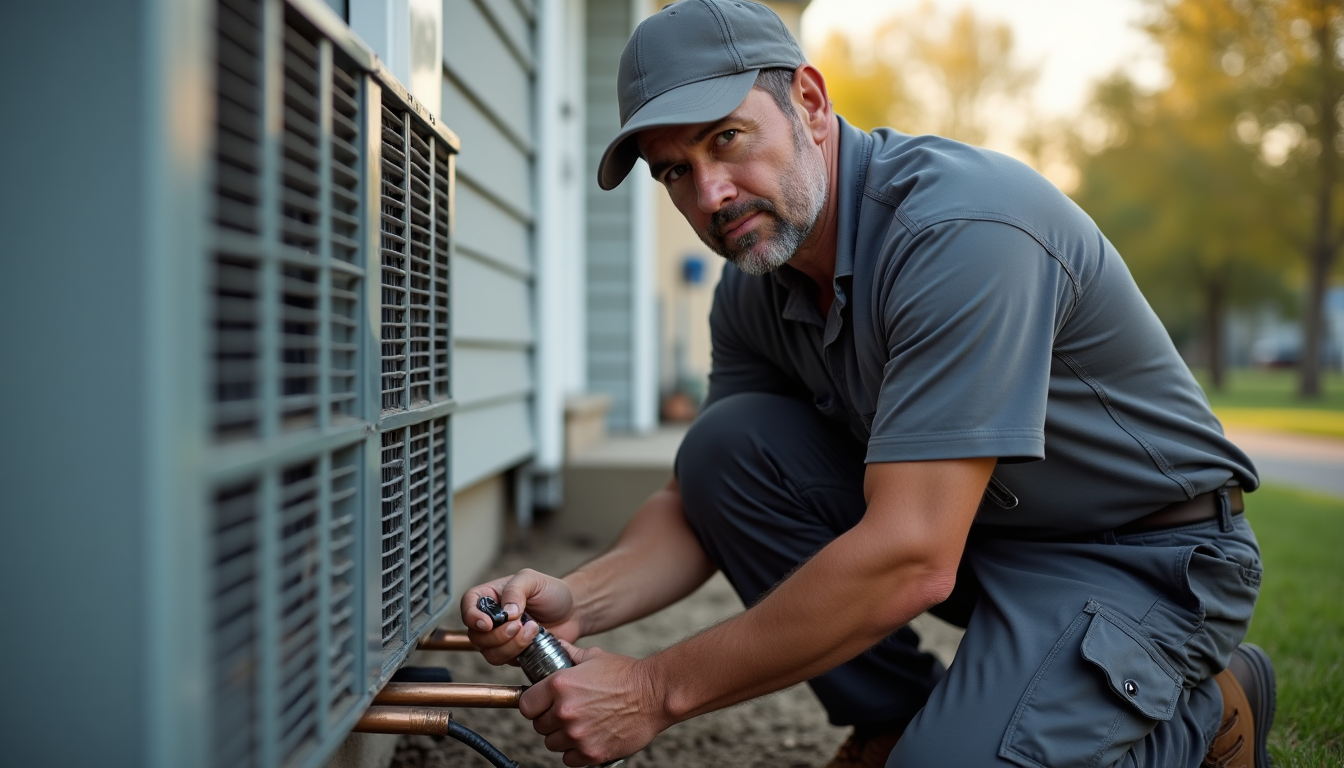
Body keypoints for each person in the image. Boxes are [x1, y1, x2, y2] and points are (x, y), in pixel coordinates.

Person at [460, 2, 1276, 766]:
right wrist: (578, 598)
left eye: (728, 139)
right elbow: (697, 501)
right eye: (674, 171)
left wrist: (653, 690)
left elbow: (912, 556)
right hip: (985, 543)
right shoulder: (757, 281)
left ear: (809, 103)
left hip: (1142, 557)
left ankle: (1214, 710)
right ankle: (894, 720)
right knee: (726, 445)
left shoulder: (962, 235)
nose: (709, 194)